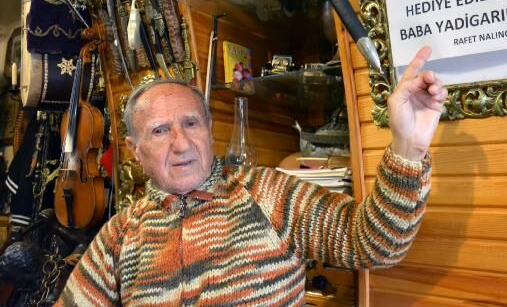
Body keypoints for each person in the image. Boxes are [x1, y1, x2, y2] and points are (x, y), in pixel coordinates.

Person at [56, 46, 447, 306]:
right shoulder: (121, 234)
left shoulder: (266, 193)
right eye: (160, 131)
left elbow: (373, 244)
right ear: (134, 149)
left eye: (191, 123)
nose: (181, 144)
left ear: (209, 130)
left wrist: (408, 149)